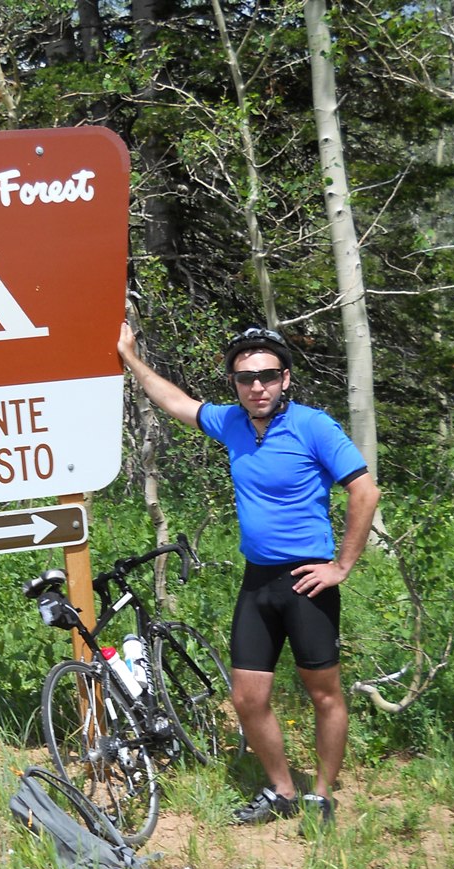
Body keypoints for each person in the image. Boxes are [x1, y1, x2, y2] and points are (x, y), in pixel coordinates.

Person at [116, 321, 380, 832]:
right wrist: (129, 356)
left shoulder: (313, 426)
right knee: (247, 698)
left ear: (285, 379)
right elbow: (175, 402)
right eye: (245, 378)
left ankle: (321, 795)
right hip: (258, 581)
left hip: (307, 582)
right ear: (234, 384)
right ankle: (283, 790)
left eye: (267, 376)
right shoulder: (231, 423)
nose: (257, 386)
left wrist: (342, 566)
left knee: (324, 694)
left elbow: (364, 491)